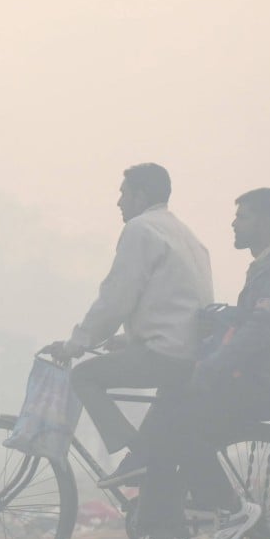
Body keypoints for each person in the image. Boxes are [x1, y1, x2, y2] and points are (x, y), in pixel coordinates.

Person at [117, 187, 270, 539]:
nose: (233, 223)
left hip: (265, 383)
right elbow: (240, 326)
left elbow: (260, 330)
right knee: (172, 407)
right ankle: (157, 519)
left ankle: (227, 511)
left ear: (265, 222)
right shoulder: (264, 268)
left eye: (242, 216)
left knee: (175, 423)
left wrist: (208, 370)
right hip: (250, 378)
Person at [49, 163, 213, 487]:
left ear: (140, 196)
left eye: (123, 193)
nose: (119, 202)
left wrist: (75, 344)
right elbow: (173, 302)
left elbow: (116, 299)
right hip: (191, 353)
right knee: (161, 446)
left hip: (166, 355)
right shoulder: (185, 233)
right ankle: (146, 476)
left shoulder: (140, 229)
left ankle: (134, 449)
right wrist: (130, 339)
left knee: (84, 375)